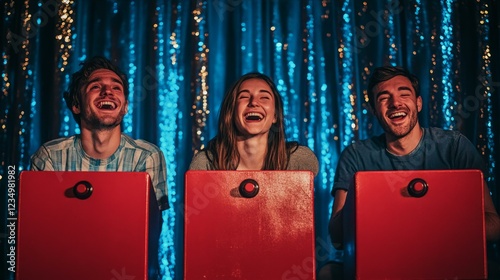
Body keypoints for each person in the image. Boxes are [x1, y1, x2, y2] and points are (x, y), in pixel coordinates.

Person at [319, 65, 500, 279]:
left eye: (404, 94)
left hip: (446, 260)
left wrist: (434, 226)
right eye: (384, 98)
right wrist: (365, 206)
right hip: (382, 264)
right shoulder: (356, 155)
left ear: (418, 103)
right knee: (328, 273)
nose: (395, 103)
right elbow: (337, 236)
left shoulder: (454, 146)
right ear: (374, 110)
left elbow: (493, 226)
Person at [29, 56, 168, 278]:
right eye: (96, 86)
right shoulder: (49, 156)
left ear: (124, 107)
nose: (107, 92)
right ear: (76, 105)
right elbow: (38, 234)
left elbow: (149, 235)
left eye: (116, 87)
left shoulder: (148, 156)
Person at [189, 72, 319, 176]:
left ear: (275, 116)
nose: (254, 102)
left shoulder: (298, 159)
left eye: (264, 97)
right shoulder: (206, 163)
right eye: (244, 96)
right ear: (231, 112)